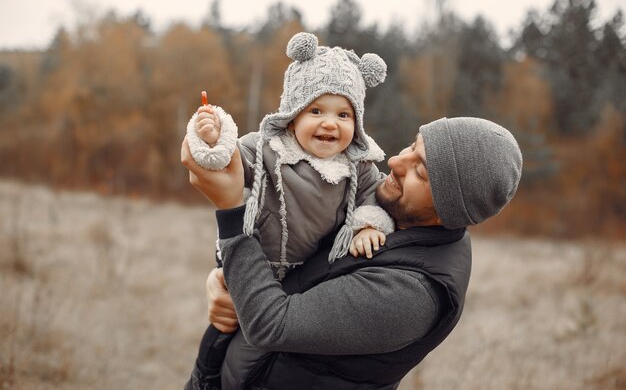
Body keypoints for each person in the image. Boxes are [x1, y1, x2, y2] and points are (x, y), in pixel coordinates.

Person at [181, 116, 523, 389]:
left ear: (447, 212)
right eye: (412, 147)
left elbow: (271, 325)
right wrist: (223, 278)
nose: (396, 161)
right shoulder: (389, 208)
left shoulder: (412, 294)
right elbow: (286, 244)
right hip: (219, 375)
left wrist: (230, 212)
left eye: (421, 171)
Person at [184, 32, 394, 388]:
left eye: (343, 114)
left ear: (356, 122)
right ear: (293, 116)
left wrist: (367, 225)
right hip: (253, 262)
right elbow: (229, 159)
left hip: (304, 278)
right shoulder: (269, 149)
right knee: (223, 329)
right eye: (316, 110)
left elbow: (372, 197)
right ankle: (202, 380)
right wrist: (212, 137)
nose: (330, 123)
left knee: (261, 344)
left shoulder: (357, 167)